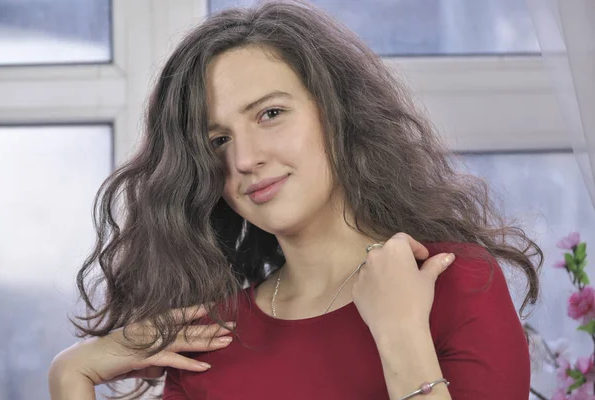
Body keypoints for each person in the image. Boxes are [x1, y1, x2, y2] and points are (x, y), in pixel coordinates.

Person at [48, 1, 542, 399]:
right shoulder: (209, 340)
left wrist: (400, 335)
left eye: (270, 114)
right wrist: (70, 376)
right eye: (217, 140)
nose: (244, 158)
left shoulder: (452, 282)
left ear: (337, 113)